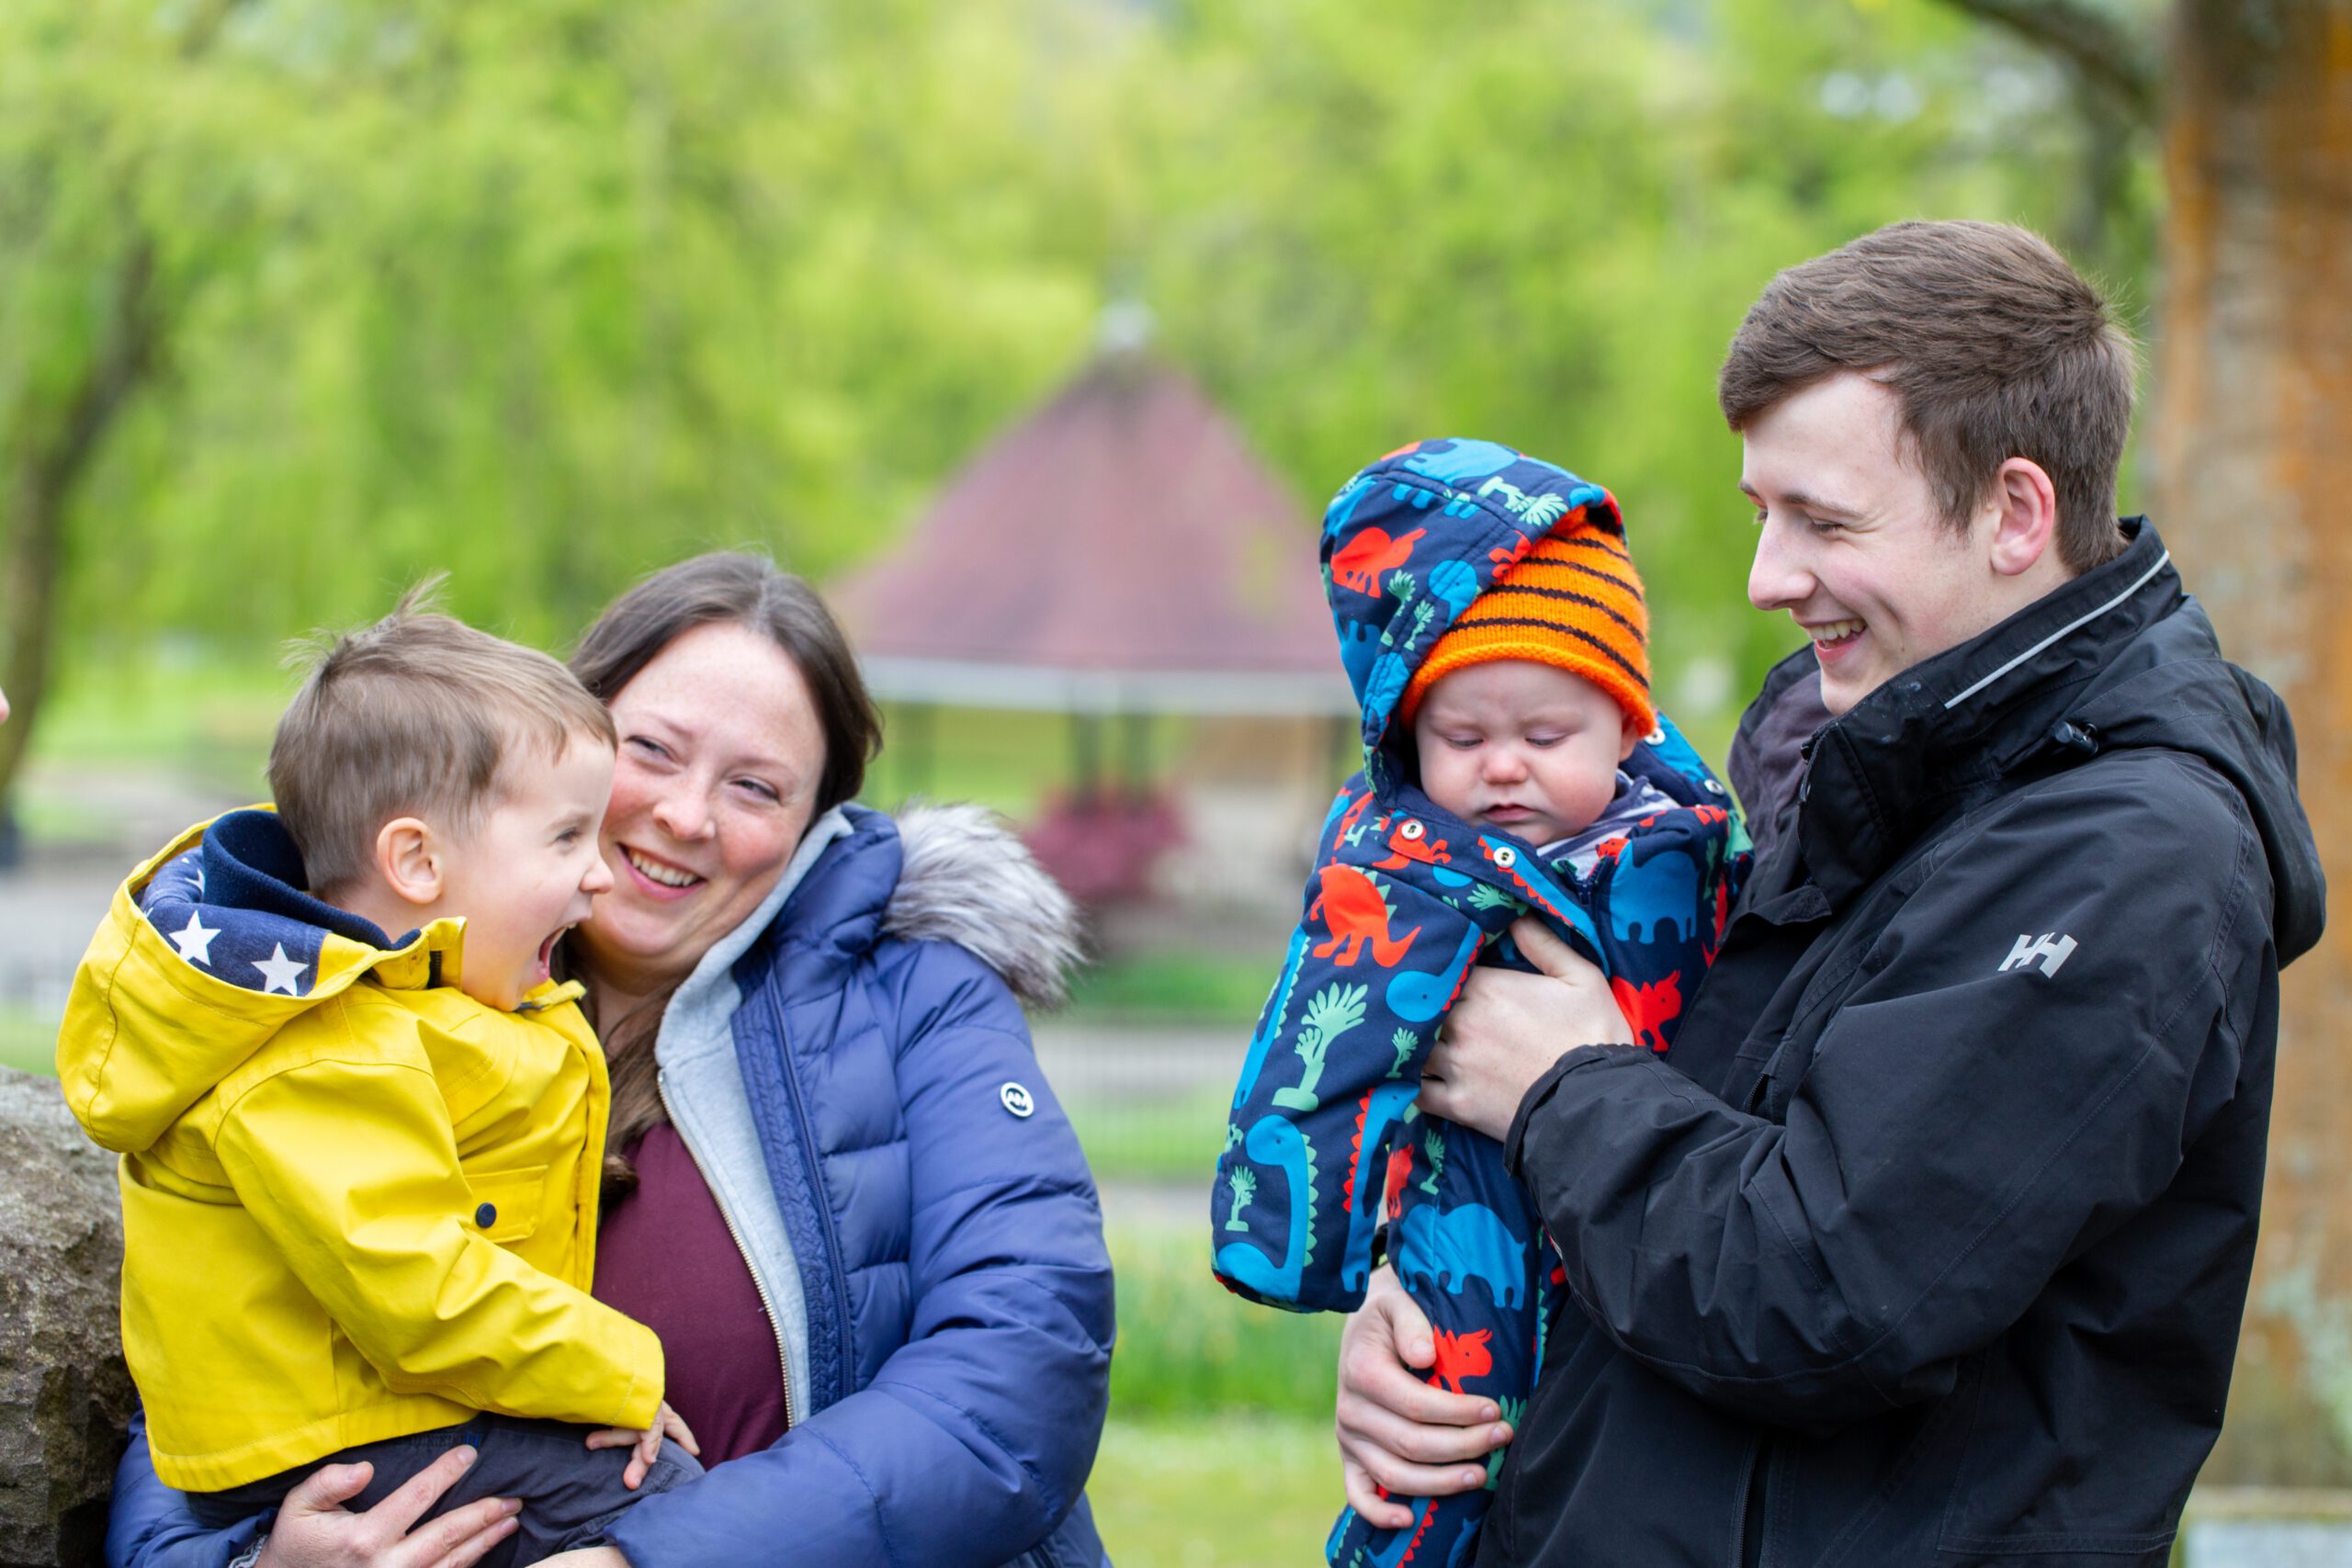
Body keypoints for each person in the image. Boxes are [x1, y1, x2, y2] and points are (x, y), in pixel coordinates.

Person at [1333, 220, 2327, 1566]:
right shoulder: (1862, 767)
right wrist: (1432, 1324)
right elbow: (1675, 1190)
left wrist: (1563, 1086)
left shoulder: (2130, 854)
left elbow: (1821, 1286)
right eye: (1763, 514)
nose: (1767, 578)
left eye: (1826, 520)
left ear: (2017, 514)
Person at [105, 553, 1115, 1568]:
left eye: (755, 787)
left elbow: (1021, 1368)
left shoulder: (919, 999)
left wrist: (652, 1559)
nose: (685, 815)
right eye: (652, 751)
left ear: (815, 829)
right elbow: (211, 1345)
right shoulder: (363, 1007)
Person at [60, 593, 701, 1562]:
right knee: (665, 1505)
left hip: (373, 1413)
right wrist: (624, 1370)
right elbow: (425, 1294)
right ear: (414, 859)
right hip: (335, 1440)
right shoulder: (323, 1050)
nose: (598, 874)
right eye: (567, 838)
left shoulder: (405, 1004)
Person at [1215, 438, 1745, 1568]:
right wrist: (1307, 1255)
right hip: (1467, 1220)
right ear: (1412, 738)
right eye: (1464, 738)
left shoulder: (1700, 844)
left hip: (1674, 1240)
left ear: (1627, 728)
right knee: (1444, 1453)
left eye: (1547, 737)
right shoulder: (1399, 865)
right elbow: (1319, 1054)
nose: (1505, 768)